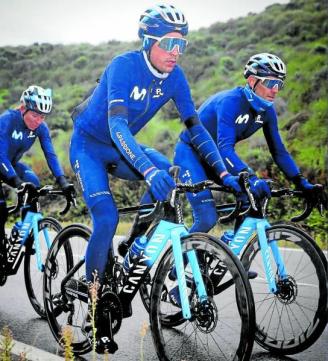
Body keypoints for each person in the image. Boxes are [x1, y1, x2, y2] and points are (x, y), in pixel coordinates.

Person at [69, 4, 241, 354]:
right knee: (107, 216)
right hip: (89, 146)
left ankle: (134, 245)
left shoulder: (176, 78)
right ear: (147, 41)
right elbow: (116, 125)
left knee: (166, 169)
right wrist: (147, 171)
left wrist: (224, 172)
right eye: (168, 43)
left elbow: (196, 130)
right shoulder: (123, 66)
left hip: (122, 146)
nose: (176, 52)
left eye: (182, 45)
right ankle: (96, 305)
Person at [174, 52, 325, 233]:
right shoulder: (230, 102)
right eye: (270, 83)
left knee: (250, 201)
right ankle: (181, 260)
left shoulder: (267, 112)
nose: (275, 90)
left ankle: (229, 256)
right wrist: (251, 177)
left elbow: (278, 151)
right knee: (207, 218)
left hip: (218, 158)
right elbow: (224, 148)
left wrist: (301, 182)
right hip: (191, 154)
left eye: (279, 84)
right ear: (253, 81)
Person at [0, 85, 75, 278]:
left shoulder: (41, 127)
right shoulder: (7, 120)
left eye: (43, 116)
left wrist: (63, 181)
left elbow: (50, 154)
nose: (39, 121)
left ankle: (22, 232)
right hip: (2, 162)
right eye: (35, 115)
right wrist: (16, 182)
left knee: (32, 182)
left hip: (13, 164)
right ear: (23, 108)